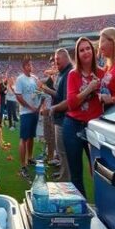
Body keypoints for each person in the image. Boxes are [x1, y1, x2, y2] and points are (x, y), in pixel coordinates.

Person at [64, 37, 104, 198]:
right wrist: (89, 88)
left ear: (93, 51)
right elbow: (71, 103)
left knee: (100, 170)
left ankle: (103, 207)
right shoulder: (73, 75)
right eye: (81, 50)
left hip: (94, 126)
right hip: (73, 125)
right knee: (76, 173)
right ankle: (82, 210)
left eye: (88, 48)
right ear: (78, 55)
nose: (86, 52)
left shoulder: (102, 73)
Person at [41, 48, 73, 181]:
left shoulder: (68, 74)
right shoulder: (62, 73)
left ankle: (65, 178)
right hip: (59, 117)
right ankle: (63, 173)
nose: (55, 62)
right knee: (60, 150)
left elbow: (64, 98)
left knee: (63, 151)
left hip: (63, 117)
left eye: (57, 59)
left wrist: (45, 89)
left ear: (65, 58)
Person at [15, 57, 43, 179]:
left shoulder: (34, 78)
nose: (30, 67)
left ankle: (30, 158)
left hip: (35, 111)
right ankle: (23, 164)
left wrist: (38, 105)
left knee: (31, 136)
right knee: (24, 138)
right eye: (28, 65)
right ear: (24, 67)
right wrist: (29, 107)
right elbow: (18, 96)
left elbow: (38, 92)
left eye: (31, 65)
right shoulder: (20, 79)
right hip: (26, 112)